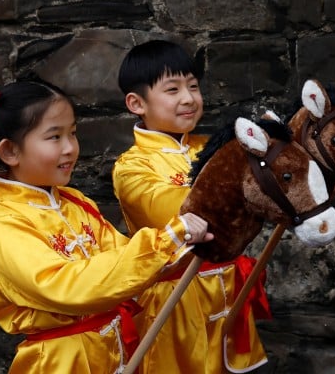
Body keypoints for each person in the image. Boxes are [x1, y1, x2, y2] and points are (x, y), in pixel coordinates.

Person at [0, 79, 213, 374]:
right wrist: (166, 241)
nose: (70, 148)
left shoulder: (73, 201)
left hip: (113, 352)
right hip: (63, 362)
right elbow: (67, 286)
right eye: (54, 137)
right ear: (10, 151)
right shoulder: (0, 220)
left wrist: (182, 248)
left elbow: (122, 256)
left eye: (73, 134)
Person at [112, 40, 268, 373]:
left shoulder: (212, 148)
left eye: (193, 87)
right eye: (172, 89)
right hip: (176, 302)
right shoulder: (132, 166)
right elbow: (174, 210)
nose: (188, 98)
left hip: (226, 289)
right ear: (136, 103)